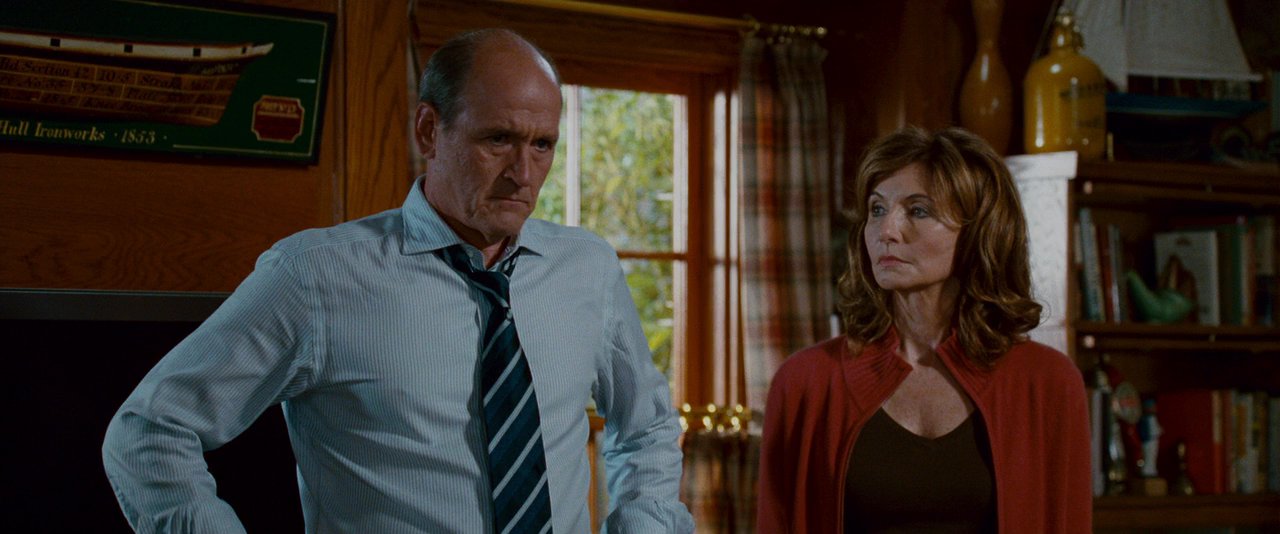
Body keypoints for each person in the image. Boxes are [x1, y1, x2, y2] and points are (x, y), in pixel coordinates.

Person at [103, 29, 693, 533]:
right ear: (429, 131)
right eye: (499, 139)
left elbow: (647, 428)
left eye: (542, 145)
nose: (524, 173)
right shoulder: (314, 277)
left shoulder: (586, 267)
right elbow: (150, 431)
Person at [756, 126, 1091, 533]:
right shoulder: (805, 383)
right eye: (877, 210)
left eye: (918, 211)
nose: (887, 231)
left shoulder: (1047, 383)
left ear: (979, 231)